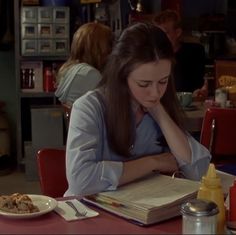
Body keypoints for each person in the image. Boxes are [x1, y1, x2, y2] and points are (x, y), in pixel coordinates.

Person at [64, 22, 211, 197]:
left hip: (143, 210)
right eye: (144, 84)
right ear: (122, 75)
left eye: (163, 81)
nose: (155, 92)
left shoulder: (157, 104)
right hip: (91, 215)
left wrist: (160, 113)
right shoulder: (89, 107)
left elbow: (199, 172)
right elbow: (81, 181)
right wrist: (153, 162)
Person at [55, 22, 113, 106]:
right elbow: (111, 106)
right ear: (97, 48)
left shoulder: (71, 68)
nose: (110, 50)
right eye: (108, 44)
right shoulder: (89, 74)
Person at [153, 9, 208, 99]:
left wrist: (200, 92)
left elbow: (200, 86)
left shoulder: (194, 52)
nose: (160, 38)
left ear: (178, 32)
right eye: (157, 34)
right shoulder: (152, 57)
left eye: (165, 33)